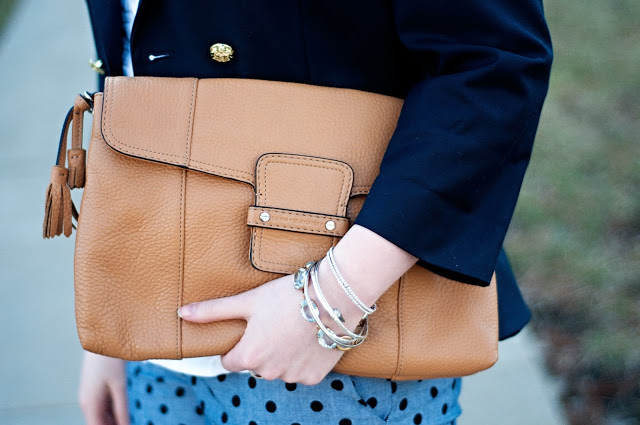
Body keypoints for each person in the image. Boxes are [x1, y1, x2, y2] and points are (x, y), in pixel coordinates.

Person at [78, 0, 553, 424]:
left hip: (340, 340)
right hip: (155, 334)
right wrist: (115, 310)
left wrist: (329, 303)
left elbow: (493, 62)